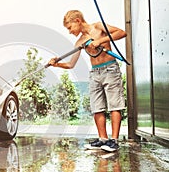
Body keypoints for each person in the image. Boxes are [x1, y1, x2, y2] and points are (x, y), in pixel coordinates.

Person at [48, 10, 126, 152]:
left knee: (114, 105)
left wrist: (100, 41)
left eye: (70, 27)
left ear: (77, 21)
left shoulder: (98, 27)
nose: (70, 32)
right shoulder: (80, 42)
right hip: (95, 73)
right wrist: (56, 63)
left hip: (110, 69)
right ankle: (103, 139)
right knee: (97, 107)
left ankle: (113, 141)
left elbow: (121, 33)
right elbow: (71, 64)